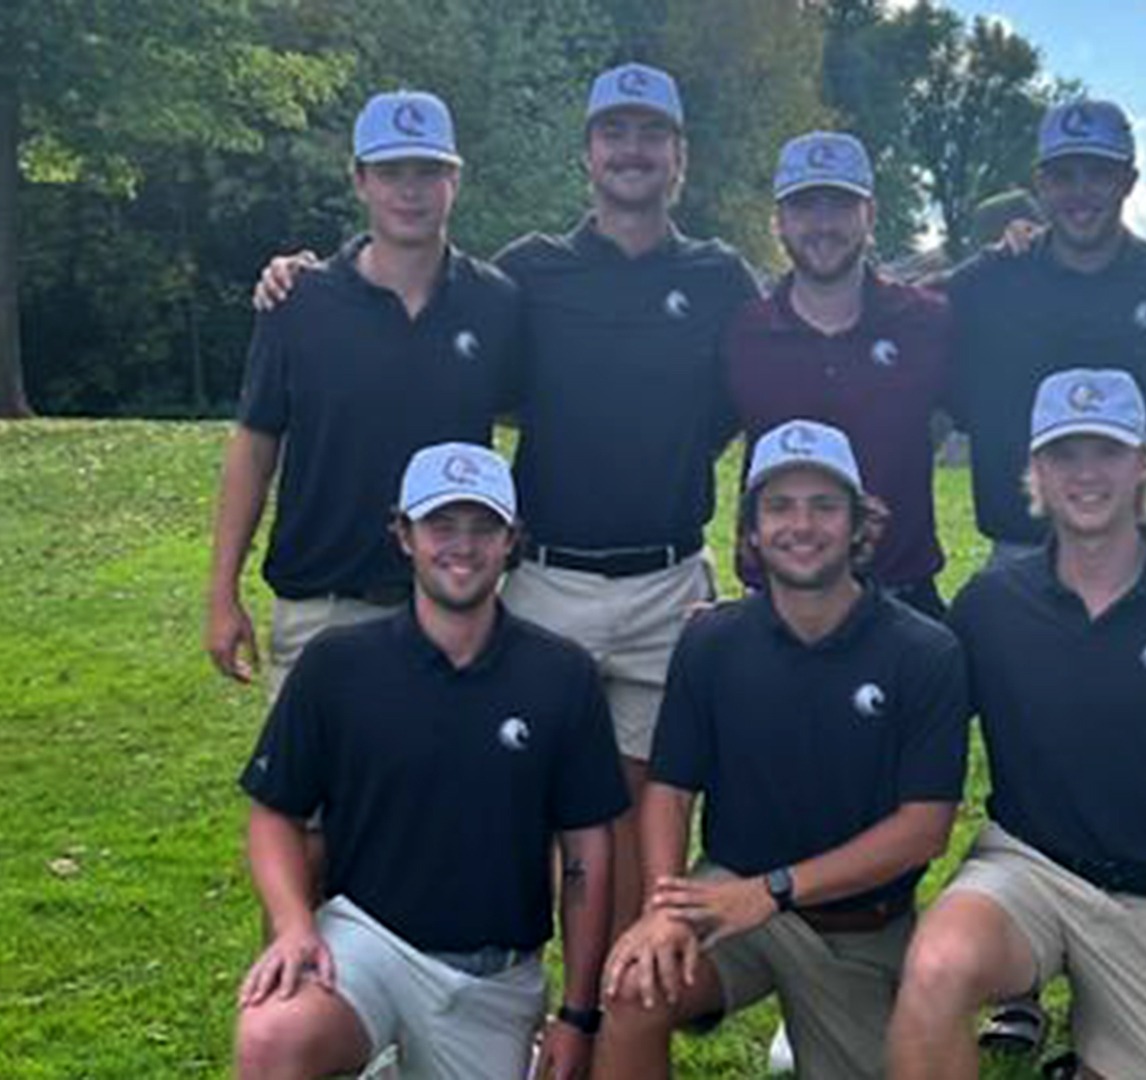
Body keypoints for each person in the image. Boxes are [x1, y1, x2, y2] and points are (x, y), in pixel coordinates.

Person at [249, 64, 760, 935]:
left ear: (681, 157)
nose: (631, 152)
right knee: (507, 797)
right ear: (587, 153)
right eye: (614, 133)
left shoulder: (723, 278)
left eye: (650, 135)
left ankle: (599, 1021)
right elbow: (452, 375)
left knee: (632, 819)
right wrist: (308, 273)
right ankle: (482, 989)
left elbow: (747, 399)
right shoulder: (529, 275)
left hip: (665, 584)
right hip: (543, 578)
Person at [888, 369, 1146, 1079]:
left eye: (1106, 452)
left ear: (1144, 463)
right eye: (1064, 455)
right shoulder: (989, 605)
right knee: (936, 967)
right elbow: (900, 707)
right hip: (1026, 868)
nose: (1086, 475)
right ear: (1036, 472)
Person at [232, 442, 625, 1080]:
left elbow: (586, 854)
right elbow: (275, 813)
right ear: (403, 535)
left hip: (493, 977)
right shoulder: (338, 665)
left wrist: (578, 1015)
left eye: (483, 528)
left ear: (511, 541)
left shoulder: (561, 675)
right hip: (367, 943)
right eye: (440, 524)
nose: (461, 546)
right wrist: (295, 924)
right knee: (273, 1035)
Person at [592, 420, 970, 1080]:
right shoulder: (712, 641)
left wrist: (774, 891)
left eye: (824, 505)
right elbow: (671, 789)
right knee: (632, 985)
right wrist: (664, 906)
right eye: (780, 506)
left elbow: (924, 831)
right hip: (727, 893)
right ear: (751, 531)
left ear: (859, 524)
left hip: (855, 928)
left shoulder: (924, 651)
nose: (802, 525)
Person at [206, 89, 520, 700]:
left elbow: (531, 411)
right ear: (359, 180)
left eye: (428, 171)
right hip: (323, 608)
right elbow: (255, 444)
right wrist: (222, 593)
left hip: (451, 602)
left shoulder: (496, 302)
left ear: (454, 179)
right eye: (390, 172)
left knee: (446, 794)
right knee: (315, 796)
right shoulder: (299, 302)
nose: (410, 190)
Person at [946, 99, 1146, 567]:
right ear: (1041, 183)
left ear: (1128, 180)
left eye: (1098, 174)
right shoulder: (990, 283)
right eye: (1063, 176)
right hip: (1023, 556)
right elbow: (896, 315)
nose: (1080, 192)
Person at [724, 131, 954, 617]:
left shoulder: (929, 321)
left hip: (902, 603)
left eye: (840, 206)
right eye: (806, 206)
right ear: (779, 221)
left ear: (869, 214)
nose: (823, 225)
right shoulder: (741, 333)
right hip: (775, 606)